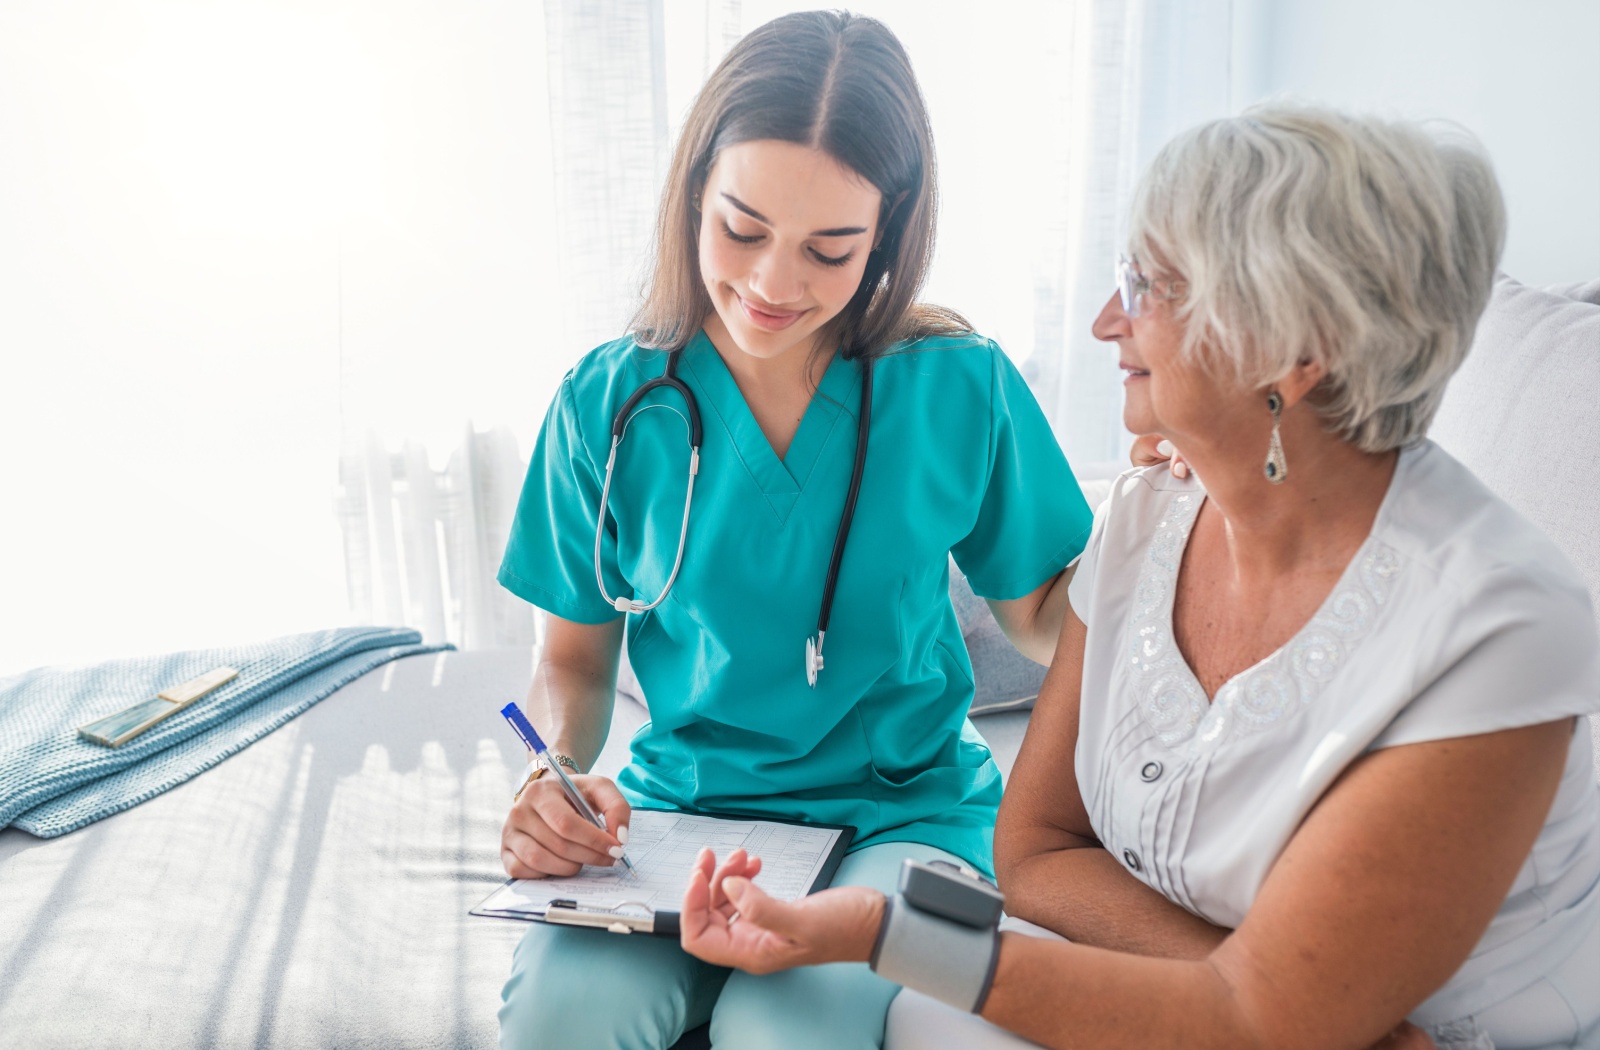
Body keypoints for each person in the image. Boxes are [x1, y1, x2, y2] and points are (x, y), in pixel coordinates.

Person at [677, 105, 1600, 1050]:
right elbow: (1034, 854)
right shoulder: (1150, 515)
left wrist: (883, 933)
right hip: (1284, 1014)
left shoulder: (1498, 632)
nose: (1107, 321)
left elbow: (1255, 1023)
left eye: (1148, 286)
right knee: (931, 1024)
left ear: (1299, 349)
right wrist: (1272, 989)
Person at [494, 11, 1092, 1049]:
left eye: (830, 249)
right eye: (741, 229)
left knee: (786, 1031)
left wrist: (1187, 542)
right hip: (682, 813)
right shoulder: (607, 402)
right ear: (691, 198)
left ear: (891, 236)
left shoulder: (958, 385)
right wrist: (552, 775)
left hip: (907, 819)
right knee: (563, 1016)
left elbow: (1048, 615)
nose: (772, 285)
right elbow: (574, 663)